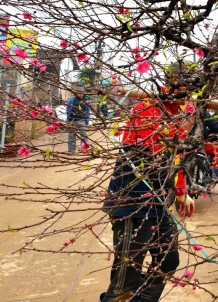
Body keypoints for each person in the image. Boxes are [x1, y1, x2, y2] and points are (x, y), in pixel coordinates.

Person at [100, 77, 196, 302]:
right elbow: (160, 144)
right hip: (131, 204)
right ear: (168, 88)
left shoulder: (179, 113)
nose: (186, 97)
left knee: (168, 260)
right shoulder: (145, 109)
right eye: (183, 91)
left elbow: (175, 156)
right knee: (126, 279)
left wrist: (181, 191)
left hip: (157, 203)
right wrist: (188, 121)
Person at [66, 85, 90, 154]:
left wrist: (87, 122)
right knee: (71, 135)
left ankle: (84, 149)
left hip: (82, 121)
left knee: (84, 136)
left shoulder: (86, 101)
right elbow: (68, 110)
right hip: (73, 120)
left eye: (82, 93)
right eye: (79, 93)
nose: (81, 94)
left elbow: (88, 112)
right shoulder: (71, 100)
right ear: (76, 93)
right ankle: (71, 151)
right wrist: (68, 120)